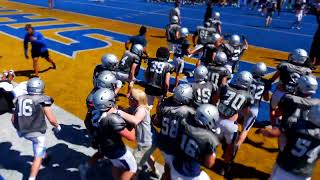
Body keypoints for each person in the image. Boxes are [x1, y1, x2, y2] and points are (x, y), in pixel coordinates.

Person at [79, 88, 136, 180]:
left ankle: (86, 166)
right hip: (116, 149)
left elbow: (87, 123)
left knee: (116, 165)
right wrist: (132, 122)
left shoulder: (93, 112)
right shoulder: (112, 119)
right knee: (132, 169)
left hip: (102, 143)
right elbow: (131, 137)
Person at [11, 78, 61, 180]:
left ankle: (45, 155)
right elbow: (51, 119)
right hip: (37, 133)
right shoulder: (43, 99)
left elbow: (13, 119)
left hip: (23, 131)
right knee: (37, 157)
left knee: (39, 147)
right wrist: (57, 126)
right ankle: (32, 178)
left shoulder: (19, 99)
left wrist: (19, 129)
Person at [153, 84, 195, 180]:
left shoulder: (164, 105)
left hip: (163, 142)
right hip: (175, 147)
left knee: (168, 167)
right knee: (172, 172)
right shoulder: (188, 112)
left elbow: (157, 122)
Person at [116, 89, 160, 179]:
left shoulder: (141, 110)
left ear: (136, 100)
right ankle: (156, 172)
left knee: (134, 166)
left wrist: (118, 112)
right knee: (147, 156)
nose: (128, 96)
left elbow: (135, 120)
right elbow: (127, 112)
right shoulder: (134, 107)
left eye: (130, 96)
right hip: (148, 139)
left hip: (148, 141)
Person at [217, 71, 254, 177]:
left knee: (210, 141)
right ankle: (225, 167)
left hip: (216, 119)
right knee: (230, 147)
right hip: (230, 124)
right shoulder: (248, 96)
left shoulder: (226, 87)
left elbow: (218, 97)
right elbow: (246, 113)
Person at [169, 104, 220, 180]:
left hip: (175, 168)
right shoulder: (209, 139)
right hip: (192, 173)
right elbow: (209, 163)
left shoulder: (183, 123)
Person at [269, 48, 312, 127]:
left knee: (273, 109)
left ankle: (273, 126)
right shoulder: (307, 71)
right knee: (290, 113)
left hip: (280, 93)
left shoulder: (284, 65)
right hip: (295, 96)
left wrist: (269, 81)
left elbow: (275, 76)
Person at [236, 63, 271, 147]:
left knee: (234, 122)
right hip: (254, 108)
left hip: (243, 105)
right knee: (245, 130)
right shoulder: (265, 83)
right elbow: (266, 98)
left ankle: (231, 137)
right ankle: (237, 145)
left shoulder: (247, 78)